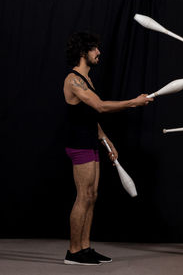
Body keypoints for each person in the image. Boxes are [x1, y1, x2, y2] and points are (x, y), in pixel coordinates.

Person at [63, 32, 153, 265]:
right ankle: (73, 252)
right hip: (79, 144)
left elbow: (91, 116)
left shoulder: (87, 80)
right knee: (83, 196)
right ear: (84, 52)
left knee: (92, 196)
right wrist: (134, 102)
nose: (99, 52)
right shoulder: (72, 80)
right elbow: (100, 106)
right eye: (94, 49)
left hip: (91, 141)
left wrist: (105, 140)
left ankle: (85, 248)